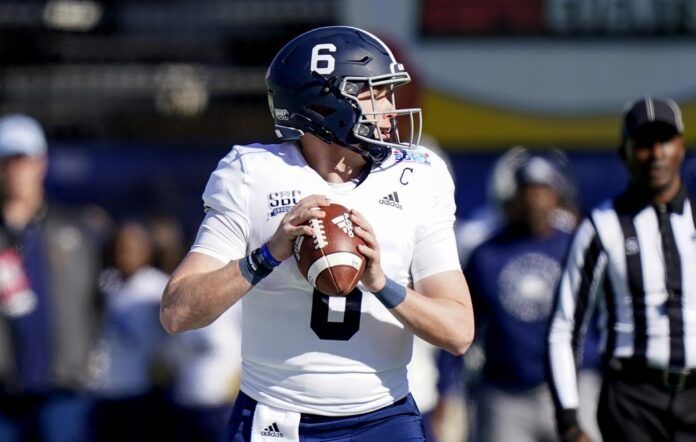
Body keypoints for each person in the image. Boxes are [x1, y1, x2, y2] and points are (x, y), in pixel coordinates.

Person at [161, 26, 474, 441]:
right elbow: (177, 313)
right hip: (276, 417)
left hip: (384, 417)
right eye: (373, 93)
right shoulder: (252, 174)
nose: (389, 108)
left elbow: (458, 331)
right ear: (327, 104)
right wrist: (267, 256)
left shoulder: (419, 176)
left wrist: (382, 283)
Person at [547, 97, 696, 442]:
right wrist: (569, 417)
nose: (656, 153)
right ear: (624, 152)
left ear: (681, 147)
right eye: (643, 143)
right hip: (633, 399)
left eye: (665, 141)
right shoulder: (602, 226)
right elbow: (565, 325)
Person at [464, 154, 601, 442]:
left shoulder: (578, 245)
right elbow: (464, 323)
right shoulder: (487, 253)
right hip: (507, 394)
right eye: (528, 189)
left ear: (558, 195)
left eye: (543, 189)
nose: (535, 198)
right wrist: (447, 388)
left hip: (574, 389)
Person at [0, 114, 101, 441]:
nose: (16, 171)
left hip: (63, 388)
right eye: (7, 161)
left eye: (23, 160)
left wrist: (86, 359)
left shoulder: (74, 230)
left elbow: (100, 297)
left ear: (41, 163)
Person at [88, 221, 169, 442]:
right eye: (121, 248)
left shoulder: (157, 287)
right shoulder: (106, 284)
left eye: (133, 249)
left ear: (147, 252)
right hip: (104, 388)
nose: (125, 254)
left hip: (142, 389)